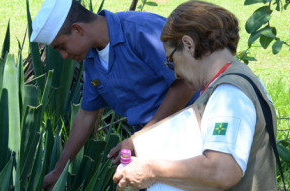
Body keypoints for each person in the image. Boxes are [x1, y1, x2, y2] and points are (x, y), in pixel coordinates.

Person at [30, 0, 199, 189]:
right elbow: (87, 114)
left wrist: (143, 136)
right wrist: (59, 170)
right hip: (152, 148)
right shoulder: (92, 60)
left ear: (78, 29)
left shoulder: (141, 31)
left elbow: (187, 83)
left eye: (61, 46)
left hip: (193, 137)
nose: (63, 55)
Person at [113, 1, 279, 190]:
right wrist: (139, 140)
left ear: (188, 44)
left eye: (171, 60)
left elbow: (222, 171)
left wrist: (150, 170)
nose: (175, 73)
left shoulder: (229, 94)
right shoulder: (240, 78)